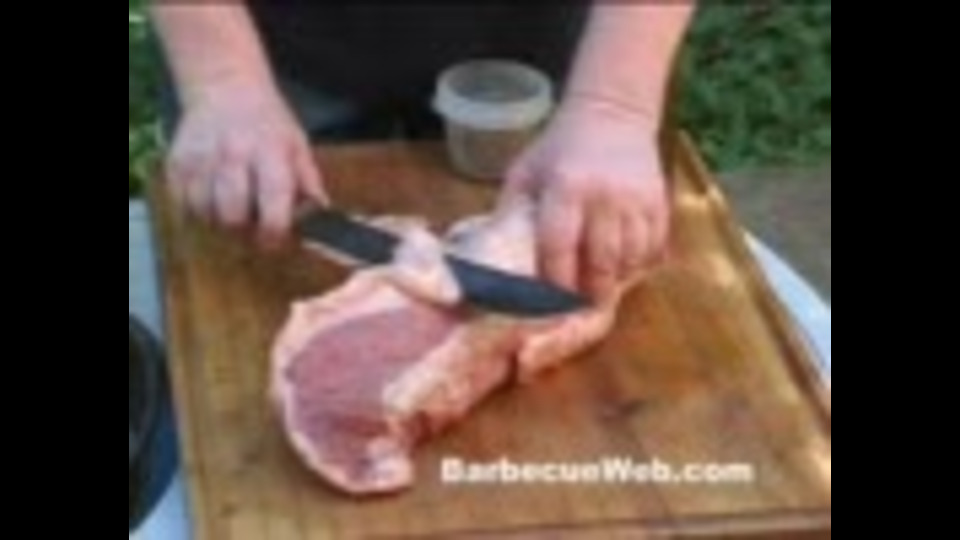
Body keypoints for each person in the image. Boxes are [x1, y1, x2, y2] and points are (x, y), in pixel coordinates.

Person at [151, 2, 696, 300]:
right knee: (250, 282)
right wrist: (221, 79)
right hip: (266, 48)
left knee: (582, 251)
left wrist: (611, 105)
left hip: (556, 59)